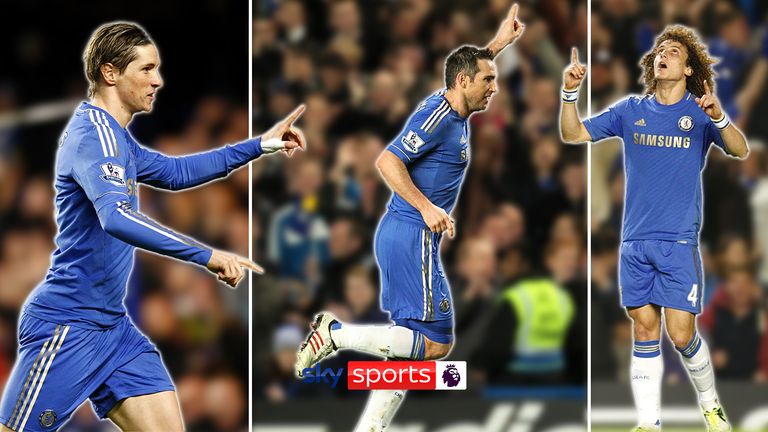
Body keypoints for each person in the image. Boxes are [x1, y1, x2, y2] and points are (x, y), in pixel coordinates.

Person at [0, 22, 305, 432]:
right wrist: (207, 255)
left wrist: (259, 145)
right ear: (110, 74)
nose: (158, 80)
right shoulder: (94, 138)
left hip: (114, 329)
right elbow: (117, 218)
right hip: (68, 325)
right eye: (145, 69)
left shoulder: (118, 139)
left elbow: (177, 172)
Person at [294, 4, 525, 431]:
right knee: (437, 344)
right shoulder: (438, 116)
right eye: (488, 79)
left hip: (410, 236)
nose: (494, 87)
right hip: (410, 233)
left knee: (403, 353)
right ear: (463, 81)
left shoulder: (454, 107)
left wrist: (497, 44)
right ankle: (335, 334)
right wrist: (428, 207)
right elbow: (387, 161)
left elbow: (469, 69)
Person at [559, 25, 748, 432]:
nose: (664, 53)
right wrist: (570, 93)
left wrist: (718, 115)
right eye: (660, 49)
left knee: (681, 335)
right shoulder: (631, 110)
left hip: (677, 242)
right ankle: (649, 423)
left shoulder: (699, 113)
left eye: (674, 50)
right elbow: (572, 132)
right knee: (644, 329)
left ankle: (711, 405)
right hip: (634, 243)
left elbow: (739, 148)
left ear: (688, 67)